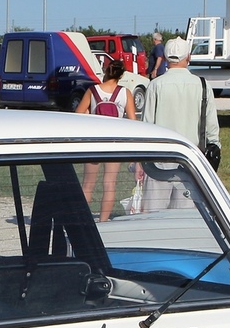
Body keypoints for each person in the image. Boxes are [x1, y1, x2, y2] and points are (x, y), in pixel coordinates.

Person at [140, 36, 220, 210]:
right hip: (190, 158)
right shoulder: (203, 85)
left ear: (167, 58)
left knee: (153, 217)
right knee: (184, 218)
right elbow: (211, 128)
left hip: (158, 159)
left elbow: (146, 124)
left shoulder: (155, 85)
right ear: (188, 57)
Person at [75, 61, 137, 221]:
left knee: (88, 184)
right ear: (121, 75)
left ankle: (82, 219)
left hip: (94, 142)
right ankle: (103, 220)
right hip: (114, 144)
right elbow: (132, 121)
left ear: (106, 71)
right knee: (109, 183)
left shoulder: (92, 90)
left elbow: (77, 115)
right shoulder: (125, 93)